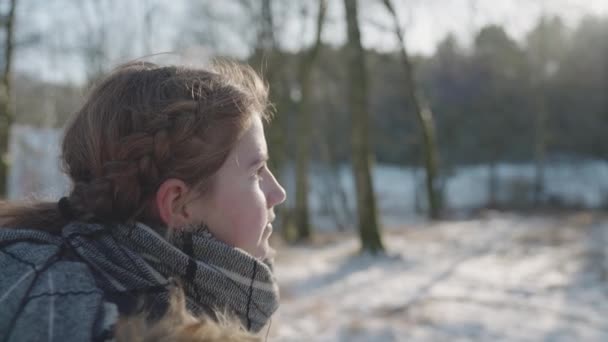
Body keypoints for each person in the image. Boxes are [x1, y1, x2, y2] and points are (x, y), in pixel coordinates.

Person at [0, 60, 286, 341]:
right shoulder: (114, 327)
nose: (278, 193)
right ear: (178, 203)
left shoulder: (29, 274)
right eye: (257, 171)